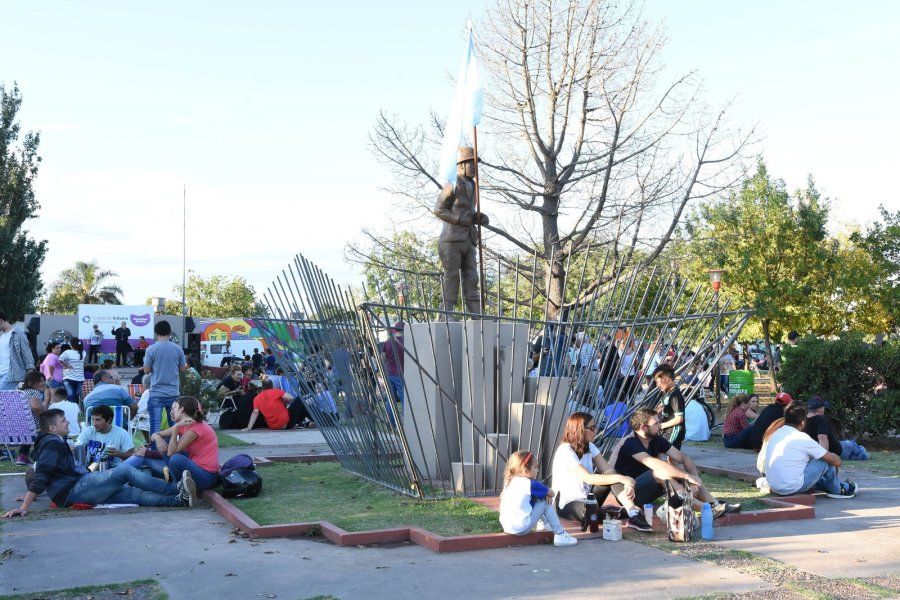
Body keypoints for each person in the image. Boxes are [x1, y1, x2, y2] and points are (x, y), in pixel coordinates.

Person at [1, 409, 196, 518]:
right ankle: (175, 489)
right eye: (63, 421)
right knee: (125, 471)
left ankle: (179, 500)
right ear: (52, 428)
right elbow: (42, 473)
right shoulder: (52, 442)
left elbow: (47, 474)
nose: (68, 422)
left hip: (78, 485)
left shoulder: (54, 441)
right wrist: (26, 505)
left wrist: (28, 498)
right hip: (73, 490)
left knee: (133, 494)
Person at [614, 408, 741, 518]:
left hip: (650, 489)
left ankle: (715, 504)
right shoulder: (630, 443)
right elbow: (655, 464)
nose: (660, 425)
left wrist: (693, 477)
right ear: (643, 427)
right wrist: (686, 476)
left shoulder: (656, 439)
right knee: (661, 472)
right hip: (629, 494)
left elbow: (683, 457)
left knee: (678, 470)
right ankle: (705, 509)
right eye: (656, 423)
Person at [551, 412, 651, 531]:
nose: (596, 430)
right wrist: (622, 479)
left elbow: (608, 470)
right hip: (567, 503)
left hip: (588, 498)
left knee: (611, 475)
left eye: (595, 427)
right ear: (579, 429)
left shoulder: (589, 447)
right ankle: (610, 512)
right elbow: (588, 477)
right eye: (592, 428)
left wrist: (627, 482)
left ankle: (633, 512)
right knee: (590, 514)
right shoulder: (565, 451)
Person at [433, 146, 489, 315]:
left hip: (469, 240)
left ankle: (476, 313)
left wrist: (478, 217)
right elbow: (439, 209)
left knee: (472, 277)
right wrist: (459, 219)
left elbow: (468, 210)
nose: (475, 167)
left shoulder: (473, 184)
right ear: (461, 165)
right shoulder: (452, 184)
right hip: (451, 241)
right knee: (452, 277)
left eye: (476, 164)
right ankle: (446, 313)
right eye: (471, 163)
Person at [760, 401, 857, 498]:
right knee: (824, 459)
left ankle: (825, 484)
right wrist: (837, 461)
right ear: (803, 422)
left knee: (811, 460)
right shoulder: (801, 437)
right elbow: (834, 460)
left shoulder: (776, 433)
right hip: (791, 487)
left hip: (774, 485)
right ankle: (839, 490)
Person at [126, 396, 220, 491]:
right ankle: (118, 473)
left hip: (206, 477)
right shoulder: (185, 425)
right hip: (194, 470)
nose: (171, 412)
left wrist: (175, 429)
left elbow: (171, 452)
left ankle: (175, 486)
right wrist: (158, 439)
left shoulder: (195, 428)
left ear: (182, 409)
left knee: (176, 458)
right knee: (148, 453)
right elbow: (154, 435)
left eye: (173, 409)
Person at [499, 450, 578, 547]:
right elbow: (552, 493)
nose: (538, 470)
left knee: (538, 497)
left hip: (507, 527)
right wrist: (546, 495)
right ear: (525, 471)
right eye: (535, 467)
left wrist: (544, 494)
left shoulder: (510, 481)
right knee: (545, 501)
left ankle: (544, 525)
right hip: (521, 528)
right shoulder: (529, 484)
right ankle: (560, 534)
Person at [143, 320, 187, 438]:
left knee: (155, 427)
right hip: (173, 392)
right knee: (175, 427)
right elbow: (183, 369)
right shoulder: (178, 349)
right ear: (169, 332)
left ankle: (155, 453)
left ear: (156, 333)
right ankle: (175, 451)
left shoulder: (151, 349)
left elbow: (146, 370)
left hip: (156, 392)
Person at [242, 378, 310, 431]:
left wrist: (249, 427)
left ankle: (303, 422)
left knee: (301, 408)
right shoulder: (276, 391)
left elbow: (255, 413)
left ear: (262, 387)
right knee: (300, 400)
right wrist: (284, 402)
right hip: (286, 423)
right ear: (272, 385)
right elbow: (291, 398)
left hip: (273, 426)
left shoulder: (256, 398)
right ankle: (314, 421)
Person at [15, 371, 49, 465]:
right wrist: (47, 418)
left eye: (44, 380)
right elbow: (36, 407)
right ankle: (41, 455)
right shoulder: (33, 392)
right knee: (55, 427)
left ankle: (23, 456)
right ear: (31, 383)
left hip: (18, 428)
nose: (43, 383)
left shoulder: (20, 393)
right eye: (40, 381)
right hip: (32, 428)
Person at [0, 309, 35, 390]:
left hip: (12, 375)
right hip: (1, 372)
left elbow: (27, 355)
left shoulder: (18, 334)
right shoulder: (1, 335)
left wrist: (29, 378)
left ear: (1, 321)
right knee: (4, 401)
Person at [652, 364, 685, 449]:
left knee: (669, 456)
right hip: (667, 429)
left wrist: (660, 426)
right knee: (658, 452)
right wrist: (649, 416)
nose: (657, 385)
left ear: (668, 380)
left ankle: (686, 461)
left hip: (674, 430)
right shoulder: (667, 391)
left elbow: (679, 419)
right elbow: (661, 405)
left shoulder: (675, 396)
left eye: (658, 381)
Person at [58, 337, 86, 404]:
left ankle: (74, 410)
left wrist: (66, 365)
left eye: (70, 344)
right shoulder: (82, 352)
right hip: (69, 377)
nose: (69, 345)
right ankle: (72, 410)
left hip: (79, 378)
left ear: (72, 344)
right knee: (71, 395)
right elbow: (60, 360)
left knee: (74, 396)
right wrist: (66, 365)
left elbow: (60, 359)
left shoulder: (82, 352)